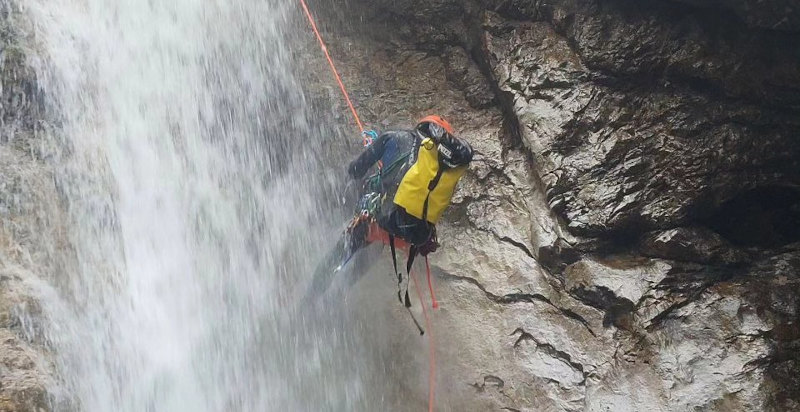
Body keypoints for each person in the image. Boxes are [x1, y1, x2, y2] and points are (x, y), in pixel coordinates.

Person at [304, 115, 473, 307]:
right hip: (412, 238)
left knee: (339, 253)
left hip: (382, 222)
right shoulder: (444, 168)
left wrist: (375, 155)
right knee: (378, 244)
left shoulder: (394, 137)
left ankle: (309, 301)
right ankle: (339, 295)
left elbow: (355, 170)